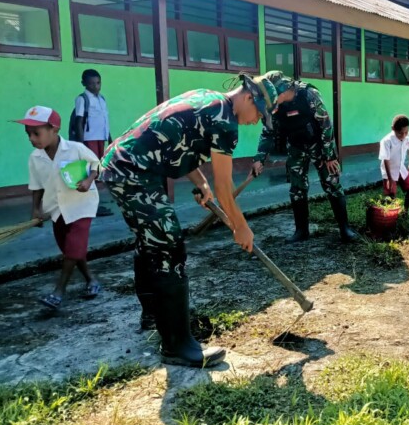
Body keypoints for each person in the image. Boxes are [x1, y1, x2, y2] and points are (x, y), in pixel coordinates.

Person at [100, 73, 276, 368]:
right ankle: (177, 346)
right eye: (259, 114)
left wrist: (200, 183)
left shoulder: (206, 98)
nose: (255, 121)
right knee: (168, 246)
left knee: (152, 240)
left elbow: (179, 144)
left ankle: (155, 315)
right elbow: (225, 188)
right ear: (248, 98)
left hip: (122, 164)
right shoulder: (225, 122)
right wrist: (241, 226)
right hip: (134, 173)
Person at [251, 71, 358, 244]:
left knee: (331, 183)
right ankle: (301, 231)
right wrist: (259, 158)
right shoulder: (273, 107)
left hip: (319, 145)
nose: (271, 100)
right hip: (295, 147)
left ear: (284, 90)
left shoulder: (309, 94)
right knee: (297, 189)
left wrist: (330, 156)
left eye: (274, 95)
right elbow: (267, 132)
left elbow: (325, 124)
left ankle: (345, 229)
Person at [14, 106, 102, 310]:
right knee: (71, 250)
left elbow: (98, 164)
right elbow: (36, 186)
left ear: (54, 129)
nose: (32, 139)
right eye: (28, 134)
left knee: (73, 247)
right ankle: (92, 280)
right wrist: (36, 209)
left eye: (36, 133)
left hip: (82, 205)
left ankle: (58, 292)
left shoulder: (75, 148)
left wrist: (89, 180)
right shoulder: (35, 158)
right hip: (56, 208)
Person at [71, 69, 113, 216]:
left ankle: (95, 202)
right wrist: (81, 144)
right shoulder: (82, 99)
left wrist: (109, 138)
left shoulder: (102, 99)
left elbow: (104, 121)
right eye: (91, 83)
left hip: (100, 138)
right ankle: (91, 205)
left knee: (99, 170)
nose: (96, 86)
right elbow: (79, 121)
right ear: (84, 84)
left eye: (98, 83)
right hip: (89, 140)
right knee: (91, 171)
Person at [380, 114, 409, 213]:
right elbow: (385, 159)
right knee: (391, 195)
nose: (404, 135)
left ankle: (405, 212)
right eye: (400, 133)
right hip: (389, 170)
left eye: (406, 132)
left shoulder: (408, 136)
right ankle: (389, 216)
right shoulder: (386, 141)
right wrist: (390, 178)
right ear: (393, 129)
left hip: (401, 168)